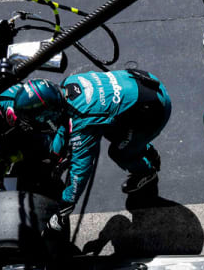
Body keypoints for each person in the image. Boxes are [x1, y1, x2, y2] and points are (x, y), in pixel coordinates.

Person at [12, 70, 173, 230]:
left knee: (119, 153)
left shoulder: (84, 120)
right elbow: (65, 121)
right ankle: (144, 149)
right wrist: (54, 156)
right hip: (145, 83)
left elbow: (81, 169)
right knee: (108, 125)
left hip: (154, 110)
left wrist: (66, 207)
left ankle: (146, 172)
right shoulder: (68, 84)